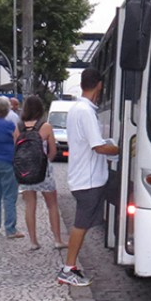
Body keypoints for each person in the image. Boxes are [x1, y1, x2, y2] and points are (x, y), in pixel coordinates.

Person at [58, 68, 119, 286]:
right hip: (89, 179)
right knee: (80, 225)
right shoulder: (85, 111)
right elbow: (99, 147)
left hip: (83, 176)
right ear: (100, 85)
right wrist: (119, 149)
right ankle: (68, 268)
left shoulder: (77, 109)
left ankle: (70, 267)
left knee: (82, 224)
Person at [15, 95, 67, 251]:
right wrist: (45, 162)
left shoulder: (18, 127)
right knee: (52, 205)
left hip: (25, 172)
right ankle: (57, 240)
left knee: (30, 205)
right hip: (44, 172)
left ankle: (33, 241)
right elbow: (52, 151)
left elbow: (16, 150)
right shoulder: (46, 127)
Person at [0, 96, 24, 239]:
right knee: (9, 196)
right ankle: (11, 229)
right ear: (7, 109)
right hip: (7, 161)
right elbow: (18, 142)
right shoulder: (10, 126)